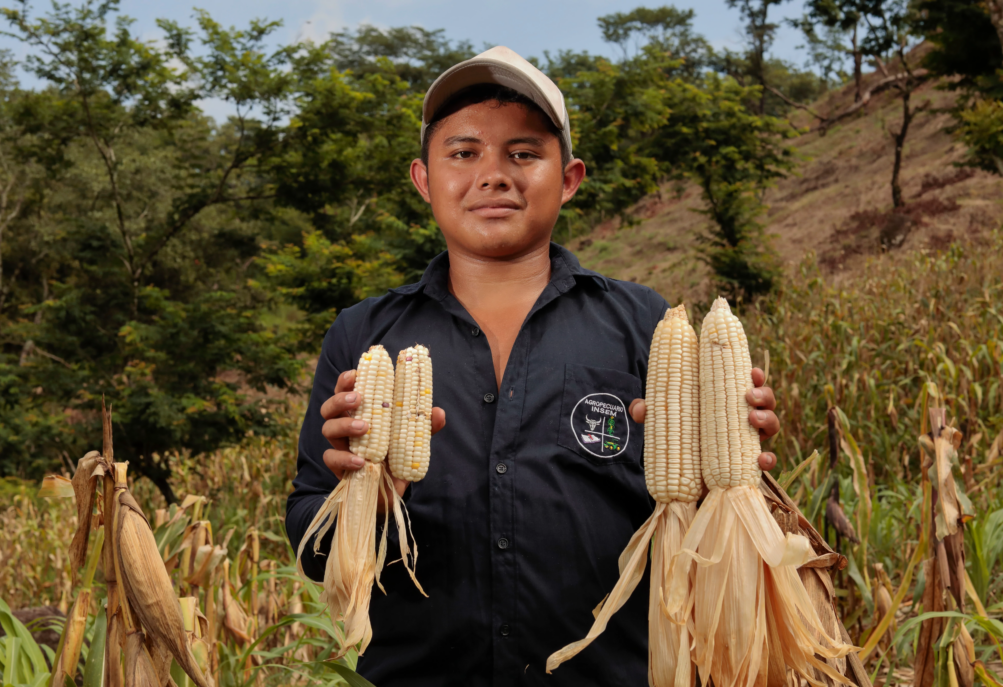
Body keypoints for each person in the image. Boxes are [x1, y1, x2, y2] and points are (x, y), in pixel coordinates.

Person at [286, 46, 782, 686]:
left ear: (569, 178)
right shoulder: (362, 334)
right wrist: (365, 502)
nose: (494, 174)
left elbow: (701, 532)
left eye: (523, 153)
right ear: (424, 179)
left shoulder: (647, 325)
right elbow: (310, 539)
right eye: (463, 154)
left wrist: (734, 469)